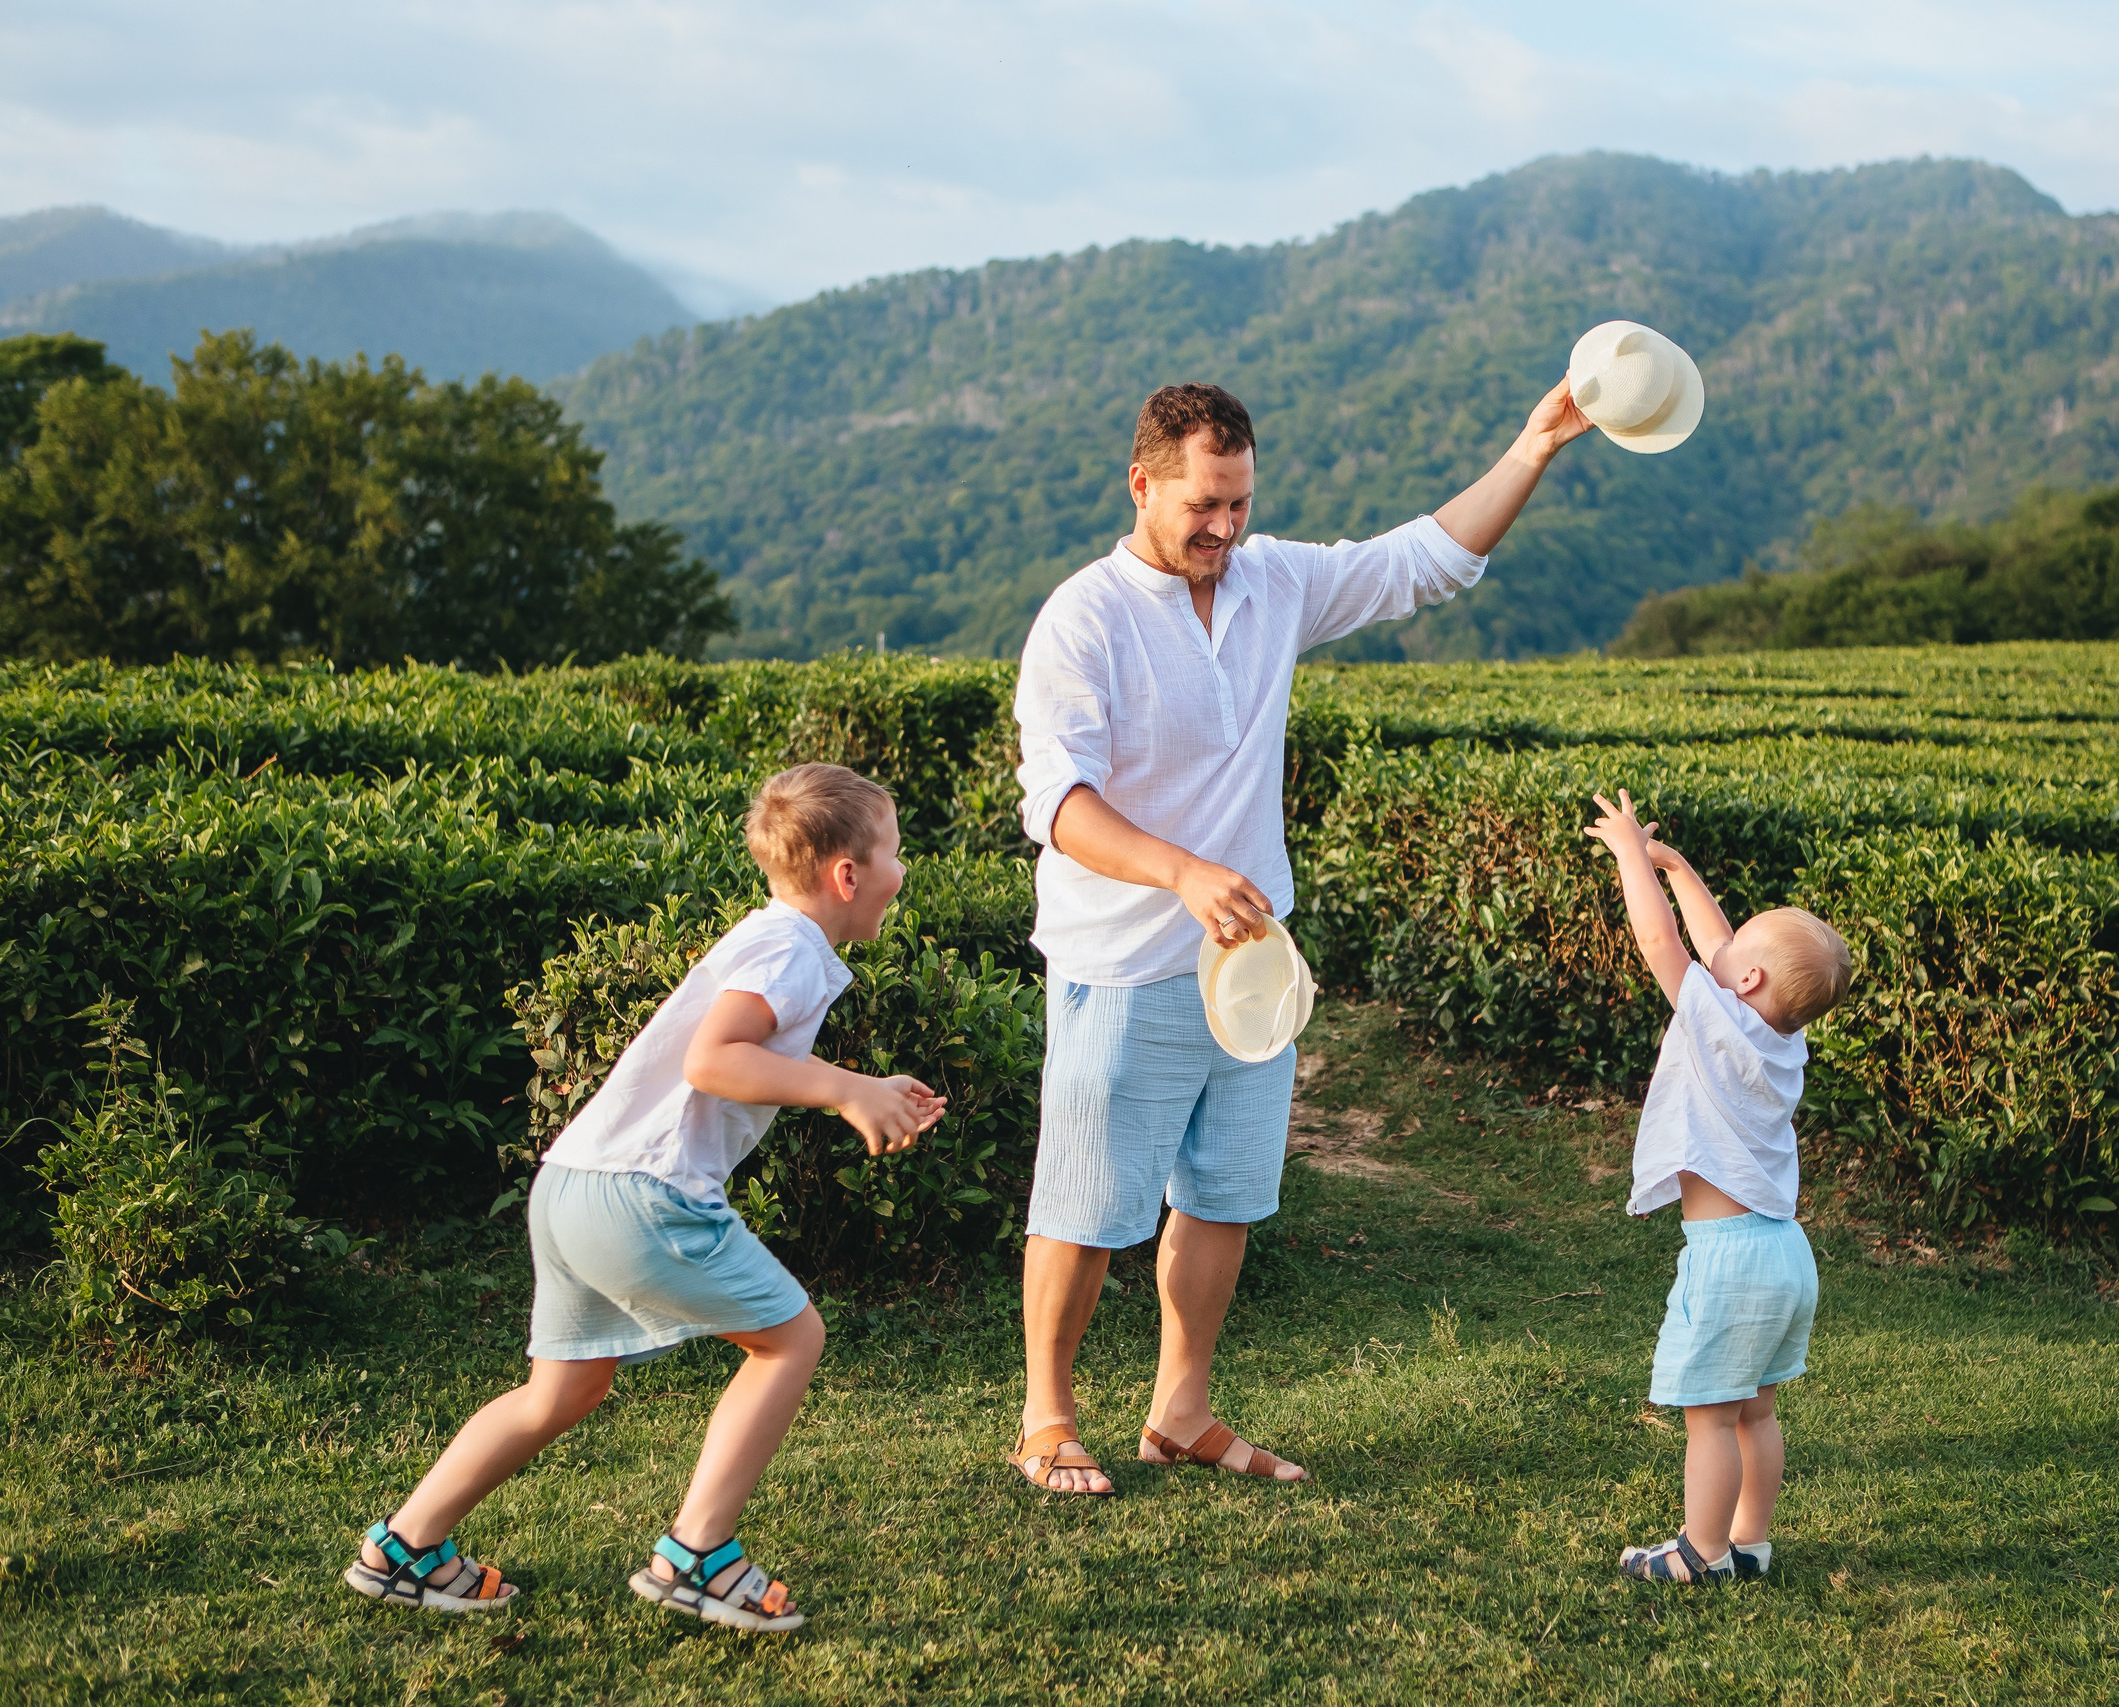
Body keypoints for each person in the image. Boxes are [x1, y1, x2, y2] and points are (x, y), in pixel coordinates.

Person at [1005, 378, 1596, 1493]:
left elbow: (1424, 559)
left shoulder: (1271, 579)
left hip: (1250, 964)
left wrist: (1534, 446)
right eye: (1201, 507)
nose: (1223, 529)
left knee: (1223, 1194)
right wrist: (1179, 872)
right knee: (1085, 1206)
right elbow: (1058, 804)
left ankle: (1180, 1413)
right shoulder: (1083, 617)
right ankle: (1047, 1418)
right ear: (1143, 486)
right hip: (1122, 960)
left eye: (1238, 503)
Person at [342, 764, 945, 1631]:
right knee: (790, 1339)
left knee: (561, 1392)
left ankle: (404, 1547)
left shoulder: (767, 937)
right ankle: (698, 1555)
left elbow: (735, 1060)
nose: (903, 869)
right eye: (896, 852)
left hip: (572, 1184)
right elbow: (715, 1059)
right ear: (847, 874)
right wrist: (848, 1088)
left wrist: (867, 1087)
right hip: (642, 1192)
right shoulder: (791, 950)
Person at [1581, 790, 1853, 1586]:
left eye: (1737, 951)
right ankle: (1751, 1541)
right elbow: (1716, 939)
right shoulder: (1780, 1038)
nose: (1720, 949)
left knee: (1709, 1417)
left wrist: (1634, 855)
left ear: (1748, 979)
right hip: (1785, 1253)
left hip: (1729, 1259)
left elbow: (1661, 938)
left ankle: (1699, 1552)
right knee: (1756, 1411)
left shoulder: (1715, 1017)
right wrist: (1680, 864)